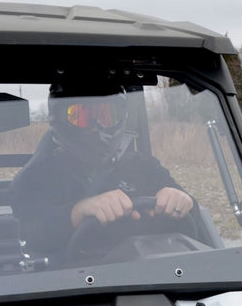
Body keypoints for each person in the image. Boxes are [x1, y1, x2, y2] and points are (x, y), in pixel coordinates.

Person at [10, 82, 200, 262]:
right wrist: (78, 211)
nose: (96, 127)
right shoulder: (37, 174)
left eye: (106, 115)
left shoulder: (143, 166)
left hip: (143, 278)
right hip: (66, 283)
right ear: (58, 118)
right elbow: (33, 230)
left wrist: (181, 201)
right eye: (81, 117)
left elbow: (194, 219)